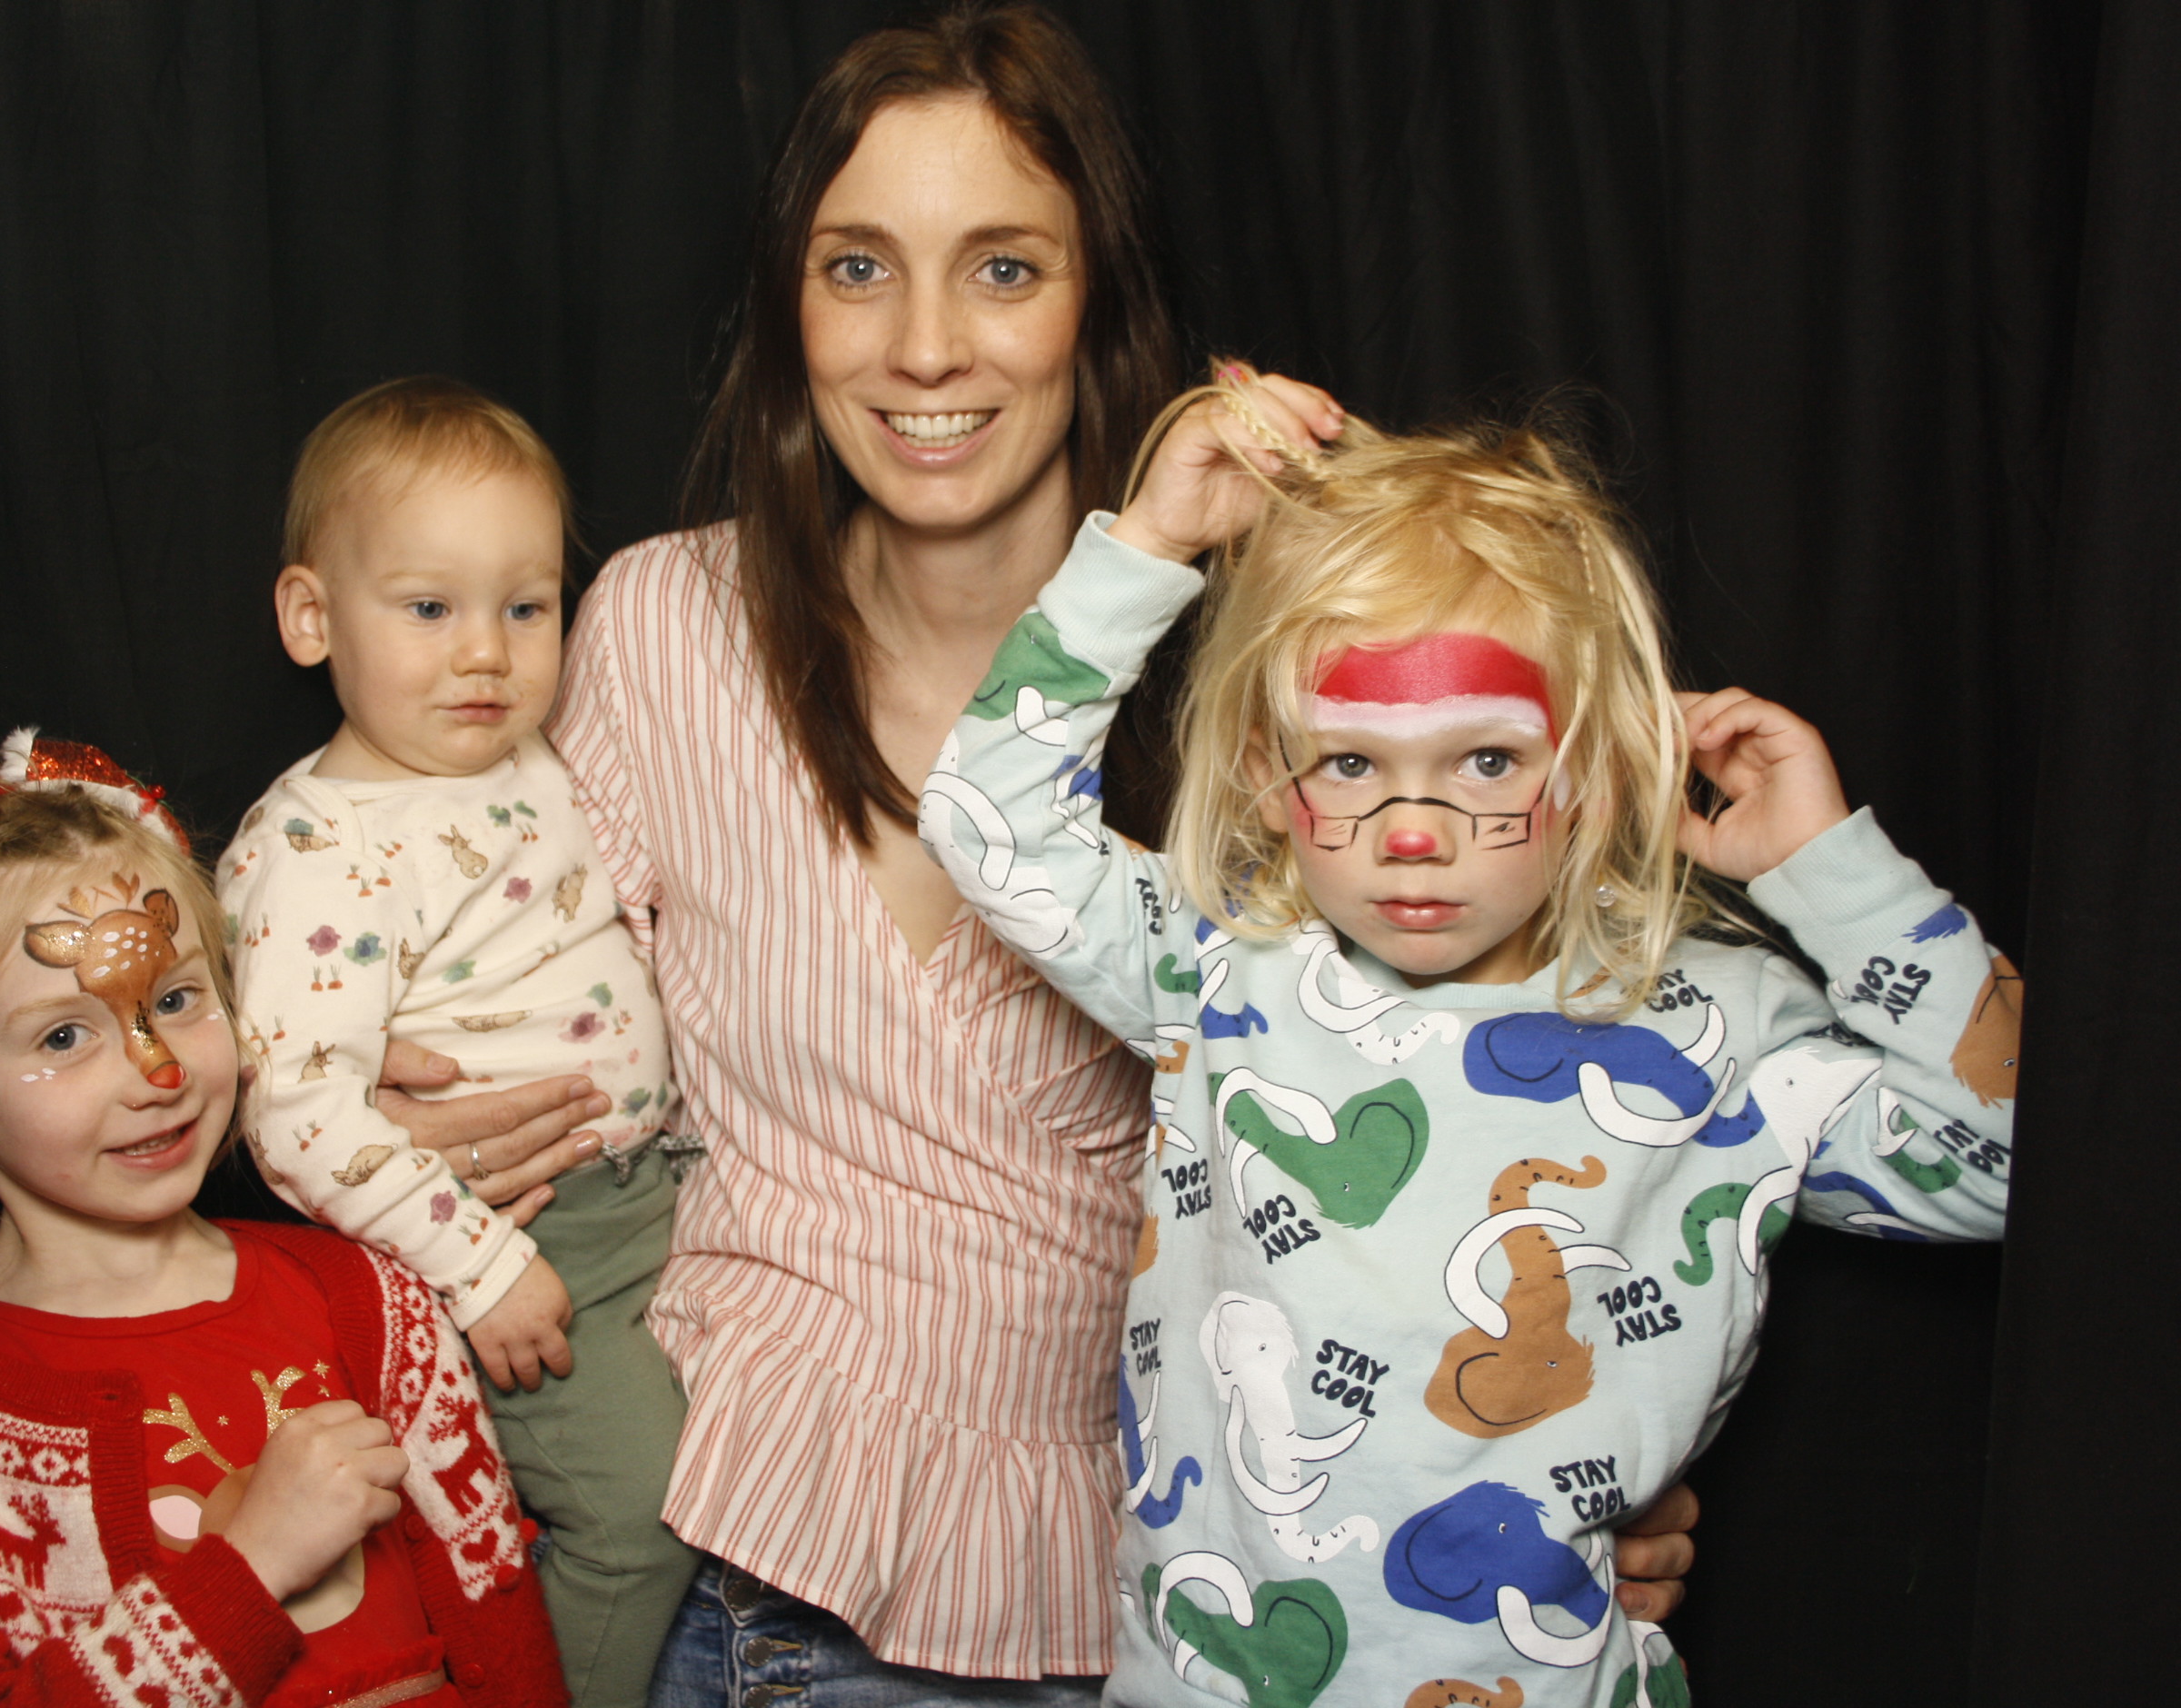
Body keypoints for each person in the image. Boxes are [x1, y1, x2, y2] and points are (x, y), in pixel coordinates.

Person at [393, 4, 1695, 1693]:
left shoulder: (1282, 689)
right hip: (739, 1573)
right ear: (793, 310)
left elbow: (1487, 1103)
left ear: (1101, 303)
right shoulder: (662, 630)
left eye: (1002, 268)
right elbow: (449, 967)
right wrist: (416, 1113)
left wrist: (1567, 1450)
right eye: (859, 268)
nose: (924, 348)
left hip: (1168, 1620)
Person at [920, 376, 2019, 1704]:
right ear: (1271, 776)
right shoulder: (1219, 964)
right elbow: (990, 819)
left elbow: (2006, 1159)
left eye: (1487, 762)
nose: (1415, 830)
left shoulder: (1710, 1028)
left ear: (1599, 767)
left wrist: (1828, 871)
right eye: (1351, 765)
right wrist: (1155, 539)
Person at [0, 732, 563, 1708]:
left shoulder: (370, 1299)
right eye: (61, 1034)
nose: (157, 1071)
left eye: (177, 998)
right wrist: (245, 1569)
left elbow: (501, 1627)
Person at [216, 376, 696, 1708]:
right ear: (313, 618)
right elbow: (296, 1111)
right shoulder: (321, 846)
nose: (486, 652)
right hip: (529, 1245)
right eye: (430, 609)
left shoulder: (539, 760)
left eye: (525, 607)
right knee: (641, 1515)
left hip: (661, 1198)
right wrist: (480, 1270)